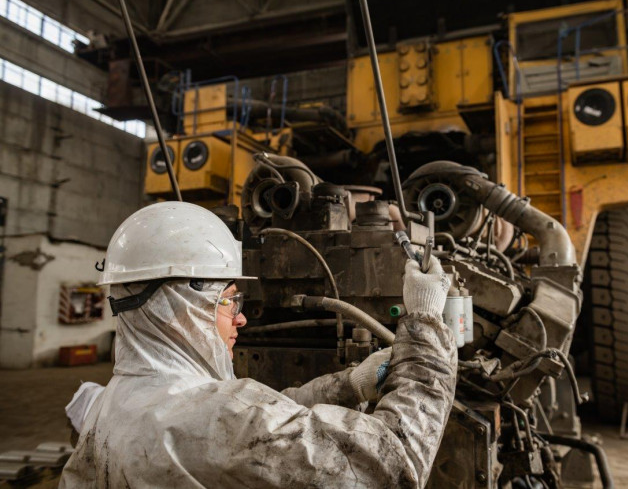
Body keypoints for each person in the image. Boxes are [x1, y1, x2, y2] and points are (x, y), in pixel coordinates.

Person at [60, 201, 456, 488]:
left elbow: (259, 422)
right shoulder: (223, 419)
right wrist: (425, 322)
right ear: (180, 307)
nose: (241, 318)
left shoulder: (109, 404)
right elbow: (395, 464)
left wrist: (349, 385)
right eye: (228, 301)